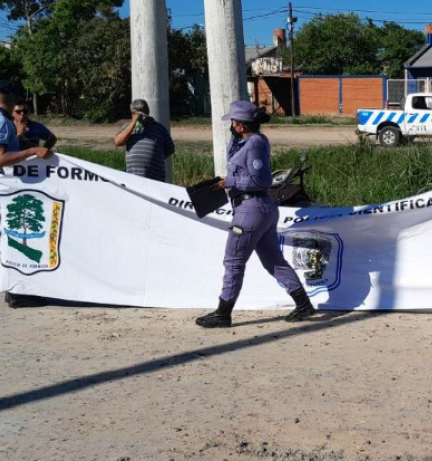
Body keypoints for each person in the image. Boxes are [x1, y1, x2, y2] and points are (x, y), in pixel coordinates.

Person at [195, 101, 316, 329]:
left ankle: (223, 313)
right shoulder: (245, 142)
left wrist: (230, 181)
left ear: (241, 125)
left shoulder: (255, 144)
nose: (230, 125)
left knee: (233, 262)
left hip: (252, 210)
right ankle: (303, 304)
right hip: (258, 209)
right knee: (273, 261)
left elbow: (262, 180)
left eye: (233, 122)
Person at [0, 80, 53, 308]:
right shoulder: (1, 122)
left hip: (3, 184)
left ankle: (17, 289)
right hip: (7, 186)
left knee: (13, 236)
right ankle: (17, 292)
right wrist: (31, 150)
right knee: (16, 236)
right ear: (11, 100)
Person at [113, 99, 175, 181]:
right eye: (137, 113)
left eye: (143, 113)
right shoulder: (128, 128)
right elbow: (118, 142)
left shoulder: (159, 128)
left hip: (155, 179)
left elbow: (170, 149)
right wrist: (134, 122)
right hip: (134, 178)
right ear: (132, 113)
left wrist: (157, 158)